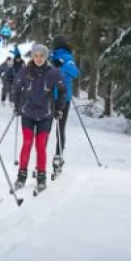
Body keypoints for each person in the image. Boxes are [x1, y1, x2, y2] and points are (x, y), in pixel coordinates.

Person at [12, 44, 65, 191]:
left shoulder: (53, 72)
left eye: (42, 56)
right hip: (28, 113)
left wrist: (59, 108)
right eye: (36, 55)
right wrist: (17, 106)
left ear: (46, 57)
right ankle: (21, 175)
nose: (39, 59)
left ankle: (41, 177)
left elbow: (62, 90)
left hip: (45, 115)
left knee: (41, 145)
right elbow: (16, 88)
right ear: (32, 56)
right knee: (27, 142)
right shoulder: (25, 71)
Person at [49, 37, 79, 171]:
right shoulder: (51, 56)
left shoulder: (67, 58)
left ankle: (58, 154)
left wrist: (60, 67)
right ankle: (56, 154)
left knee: (57, 127)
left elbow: (75, 72)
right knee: (53, 127)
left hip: (60, 98)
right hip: (52, 97)